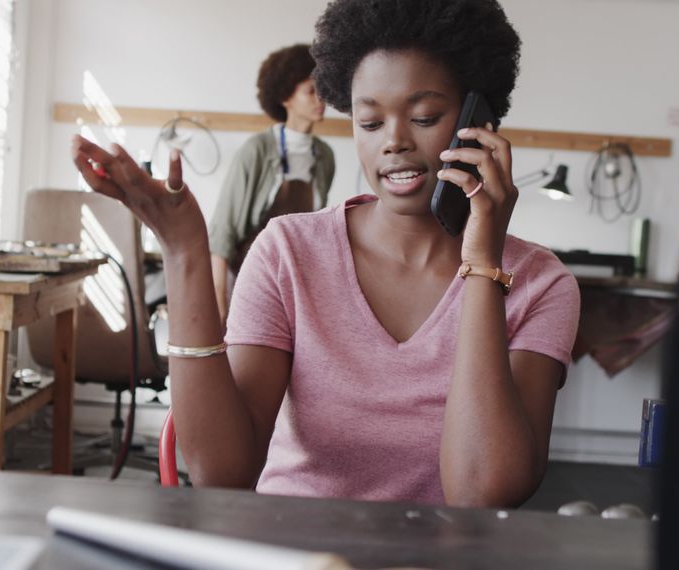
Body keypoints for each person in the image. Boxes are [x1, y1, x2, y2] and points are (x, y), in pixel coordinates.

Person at [71, 0, 579, 507]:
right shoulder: (289, 251)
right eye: (370, 122)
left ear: (478, 121)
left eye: (424, 117)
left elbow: (481, 494)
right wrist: (183, 251)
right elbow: (222, 474)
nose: (395, 141)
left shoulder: (540, 283)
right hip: (296, 552)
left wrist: (483, 265)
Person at [208, 44, 336, 327]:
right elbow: (223, 232)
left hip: (293, 279)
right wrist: (220, 304)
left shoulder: (324, 156)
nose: (320, 99)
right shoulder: (257, 150)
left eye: (322, 89)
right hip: (245, 278)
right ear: (285, 96)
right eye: (310, 91)